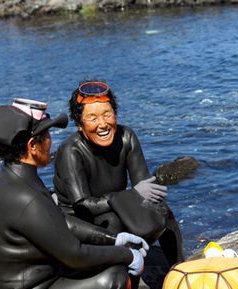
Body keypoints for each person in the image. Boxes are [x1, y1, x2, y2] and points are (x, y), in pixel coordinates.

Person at [0, 98, 149, 288]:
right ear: (32, 146)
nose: (50, 140)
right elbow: (75, 255)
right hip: (36, 284)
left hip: (41, 274)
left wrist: (113, 239)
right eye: (47, 133)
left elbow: (57, 221)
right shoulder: (26, 196)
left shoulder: (10, 180)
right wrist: (127, 255)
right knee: (114, 277)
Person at [53, 81, 183, 289]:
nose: (102, 124)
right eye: (92, 118)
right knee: (112, 221)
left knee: (163, 213)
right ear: (79, 124)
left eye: (107, 114)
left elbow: (144, 189)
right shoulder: (71, 151)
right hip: (82, 224)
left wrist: (151, 205)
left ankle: (179, 270)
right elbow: (82, 205)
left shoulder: (127, 137)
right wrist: (128, 196)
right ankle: (125, 280)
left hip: (116, 207)